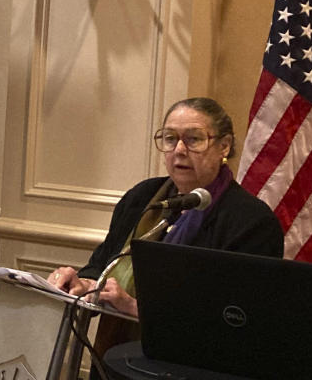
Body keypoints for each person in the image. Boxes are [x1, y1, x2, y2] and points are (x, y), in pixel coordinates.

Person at [48, 97, 284, 368]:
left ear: (224, 146)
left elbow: (237, 320)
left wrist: (137, 308)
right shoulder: (143, 197)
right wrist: (85, 283)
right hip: (114, 360)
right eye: (170, 138)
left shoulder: (252, 222)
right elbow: (102, 263)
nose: (179, 150)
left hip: (193, 368)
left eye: (194, 139)